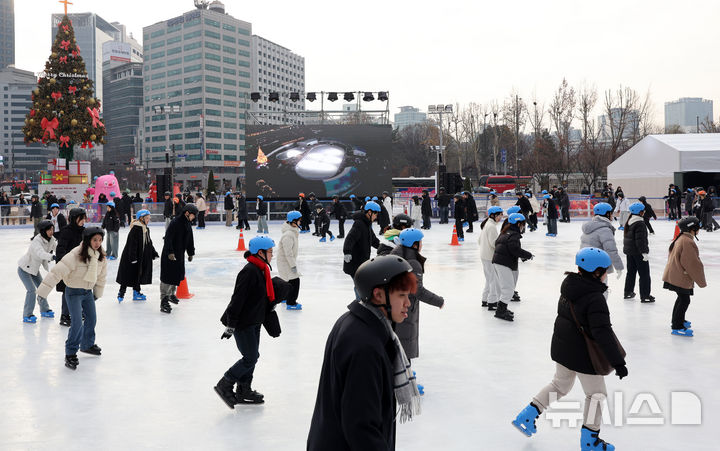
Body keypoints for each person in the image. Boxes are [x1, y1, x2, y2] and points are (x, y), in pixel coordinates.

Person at [511, 248, 626, 451]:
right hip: (583, 355)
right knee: (596, 395)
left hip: (564, 348)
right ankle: (590, 441)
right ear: (597, 272)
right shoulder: (594, 297)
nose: (607, 274)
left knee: (559, 385)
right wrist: (618, 362)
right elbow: (602, 332)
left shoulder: (570, 286)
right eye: (605, 270)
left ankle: (527, 416)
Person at [307, 255, 420, 450]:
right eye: (402, 295)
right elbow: (361, 427)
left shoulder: (356, 322)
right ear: (378, 295)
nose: (408, 304)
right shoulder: (365, 346)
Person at [215, 236, 280, 407]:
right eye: (270, 251)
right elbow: (237, 300)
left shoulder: (261, 269)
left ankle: (244, 390)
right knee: (250, 357)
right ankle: (225, 383)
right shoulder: (249, 271)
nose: (272, 254)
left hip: (255, 321)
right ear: (261, 253)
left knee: (252, 356)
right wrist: (231, 325)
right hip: (243, 323)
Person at [37, 227, 108, 371]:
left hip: (87, 292)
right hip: (73, 292)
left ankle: (87, 344)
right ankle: (70, 353)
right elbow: (56, 272)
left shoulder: (100, 256)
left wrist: (97, 293)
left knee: (92, 319)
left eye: (100, 240)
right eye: (95, 240)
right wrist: (43, 292)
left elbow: (101, 276)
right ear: (88, 240)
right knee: (76, 323)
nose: (98, 243)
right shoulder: (75, 255)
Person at [391, 228, 444, 394]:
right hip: (406, 309)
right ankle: (404, 382)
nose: (422, 245)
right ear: (414, 244)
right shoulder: (412, 262)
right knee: (404, 347)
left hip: (395, 306)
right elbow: (417, 290)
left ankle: (402, 377)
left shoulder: (396, 255)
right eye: (420, 241)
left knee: (398, 345)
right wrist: (438, 300)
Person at [662, 217, 706, 337]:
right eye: (697, 227)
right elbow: (692, 263)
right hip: (680, 276)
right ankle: (677, 326)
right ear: (692, 229)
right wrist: (701, 281)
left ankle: (678, 320)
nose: (699, 229)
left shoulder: (682, 238)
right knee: (684, 300)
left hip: (676, 274)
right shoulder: (687, 242)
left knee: (682, 299)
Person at [492, 213, 533, 321]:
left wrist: (520, 255)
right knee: (509, 289)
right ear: (518, 223)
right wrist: (527, 254)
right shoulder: (513, 234)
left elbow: (501, 245)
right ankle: (500, 311)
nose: (523, 226)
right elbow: (514, 249)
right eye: (523, 224)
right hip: (503, 263)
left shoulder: (505, 231)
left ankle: (502, 309)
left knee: (507, 288)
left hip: (499, 261)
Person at [159, 204, 197, 314]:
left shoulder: (187, 224)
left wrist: (190, 252)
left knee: (176, 275)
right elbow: (168, 239)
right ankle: (164, 300)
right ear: (187, 213)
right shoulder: (175, 222)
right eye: (193, 215)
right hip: (169, 254)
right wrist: (170, 252)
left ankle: (171, 294)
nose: (194, 217)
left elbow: (190, 240)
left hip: (179, 254)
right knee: (167, 277)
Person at [18, 219, 57, 323]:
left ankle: (44, 310)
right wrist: (53, 257)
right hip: (24, 269)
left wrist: (63, 254)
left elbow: (57, 247)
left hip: (34, 269)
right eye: (49, 230)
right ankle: (27, 315)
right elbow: (40, 253)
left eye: (52, 229)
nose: (51, 231)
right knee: (31, 291)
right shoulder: (37, 240)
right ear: (43, 231)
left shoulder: (51, 239)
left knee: (42, 288)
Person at [116, 209, 158, 302]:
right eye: (147, 218)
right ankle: (121, 293)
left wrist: (153, 253)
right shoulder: (136, 229)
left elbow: (148, 242)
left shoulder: (145, 229)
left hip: (140, 256)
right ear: (141, 218)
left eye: (149, 218)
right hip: (131, 256)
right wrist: (133, 258)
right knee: (127, 275)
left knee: (137, 275)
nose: (148, 220)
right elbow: (132, 245)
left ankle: (136, 293)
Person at [55, 207, 87, 327]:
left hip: (80, 266)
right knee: (67, 290)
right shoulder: (66, 231)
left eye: (84, 218)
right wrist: (66, 264)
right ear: (74, 219)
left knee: (80, 288)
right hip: (67, 266)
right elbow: (60, 250)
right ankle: (65, 315)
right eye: (81, 219)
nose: (83, 221)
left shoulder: (84, 231)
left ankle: (78, 312)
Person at [580, 202, 624, 282]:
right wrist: (619, 267)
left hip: (585, 264)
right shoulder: (605, 230)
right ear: (606, 214)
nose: (612, 215)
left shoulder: (589, 226)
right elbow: (611, 250)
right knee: (601, 289)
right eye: (611, 213)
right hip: (599, 266)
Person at [623, 202, 653, 302]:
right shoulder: (640, 223)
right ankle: (645, 295)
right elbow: (640, 240)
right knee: (644, 274)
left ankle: (628, 292)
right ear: (640, 212)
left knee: (631, 273)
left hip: (630, 252)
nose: (644, 212)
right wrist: (644, 253)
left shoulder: (630, 221)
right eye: (643, 210)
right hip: (638, 252)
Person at [343, 201, 381, 279]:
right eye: (376, 214)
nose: (376, 216)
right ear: (369, 212)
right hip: (355, 262)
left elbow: (373, 239)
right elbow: (350, 238)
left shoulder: (367, 224)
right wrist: (347, 252)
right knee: (359, 286)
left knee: (361, 285)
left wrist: (382, 247)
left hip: (362, 261)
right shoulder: (359, 224)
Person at [479, 206, 503, 309]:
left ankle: (485, 299)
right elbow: (494, 243)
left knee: (489, 279)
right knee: (493, 279)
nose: (500, 218)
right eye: (499, 215)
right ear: (493, 215)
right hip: (490, 256)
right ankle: (492, 302)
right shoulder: (491, 226)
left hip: (484, 255)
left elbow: (479, 240)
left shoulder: (487, 224)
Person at [277, 211, 302, 310]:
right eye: (299, 220)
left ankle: (284, 297)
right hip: (286, 262)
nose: (300, 222)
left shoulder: (292, 232)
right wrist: (293, 266)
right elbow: (288, 253)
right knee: (295, 281)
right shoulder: (288, 235)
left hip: (286, 261)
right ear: (293, 221)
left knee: (287, 281)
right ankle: (291, 303)